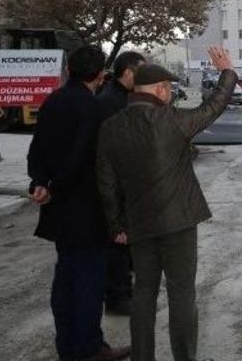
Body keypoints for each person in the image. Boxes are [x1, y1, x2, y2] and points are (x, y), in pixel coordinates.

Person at [96, 47, 236, 361]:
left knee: (143, 292)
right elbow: (213, 107)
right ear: (160, 89)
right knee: (182, 294)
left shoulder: (111, 127)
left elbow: (106, 182)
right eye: (169, 89)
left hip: (139, 224)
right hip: (179, 222)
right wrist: (227, 73)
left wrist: (117, 224)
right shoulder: (172, 120)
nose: (170, 94)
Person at [27, 45, 130, 361]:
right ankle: (88, 349)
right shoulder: (93, 108)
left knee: (66, 279)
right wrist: (55, 185)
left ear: (68, 70)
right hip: (86, 210)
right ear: (101, 75)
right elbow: (83, 158)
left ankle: (68, 347)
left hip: (58, 210)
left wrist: (40, 181)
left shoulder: (53, 100)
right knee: (87, 283)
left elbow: (37, 149)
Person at [97, 51, 146, 316]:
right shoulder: (111, 102)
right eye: (141, 71)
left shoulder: (122, 97)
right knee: (118, 240)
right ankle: (117, 296)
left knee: (127, 242)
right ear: (128, 72)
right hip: (117, 183)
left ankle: (124, 291)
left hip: (128, 183)